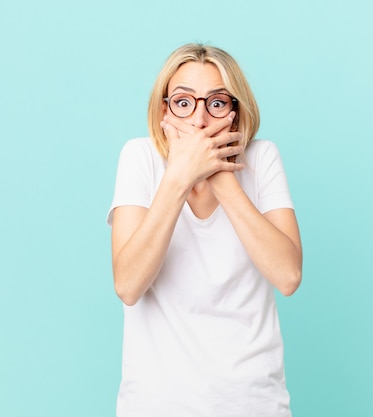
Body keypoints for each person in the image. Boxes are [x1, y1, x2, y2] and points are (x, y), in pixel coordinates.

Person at [107, 43, 303, 417]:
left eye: (215, 103)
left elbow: (288, 275)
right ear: (164, 109)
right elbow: (128, 285)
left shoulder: (262, 158)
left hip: (253, 404)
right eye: (184, 102)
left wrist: (219, 176)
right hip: (155, 405)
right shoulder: (139, 157)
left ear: (235, 111)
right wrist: (179, 178)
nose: (199, 120)